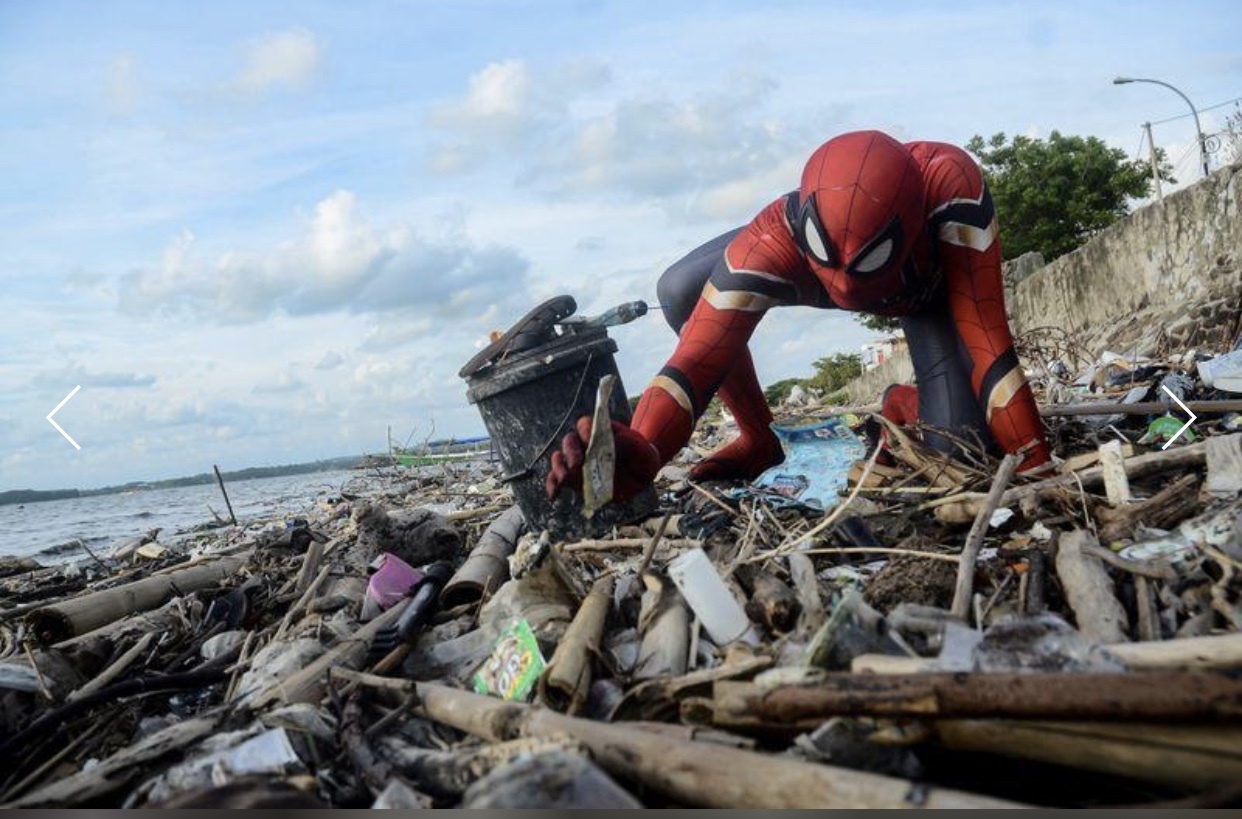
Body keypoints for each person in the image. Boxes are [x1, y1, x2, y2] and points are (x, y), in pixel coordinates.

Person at [546, 129, 1050, 503]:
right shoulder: (776, 238)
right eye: (830, 254)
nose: (848, 285)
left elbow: (989, 347)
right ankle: (759, 438)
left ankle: (904, 402)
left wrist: (1036, 466)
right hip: (821, 264)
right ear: (801, 218)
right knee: (681, 290)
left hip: (922, 296)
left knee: (958, 455)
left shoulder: (949, 189)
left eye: (866, 259)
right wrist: (647, 447)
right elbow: (694, 360)